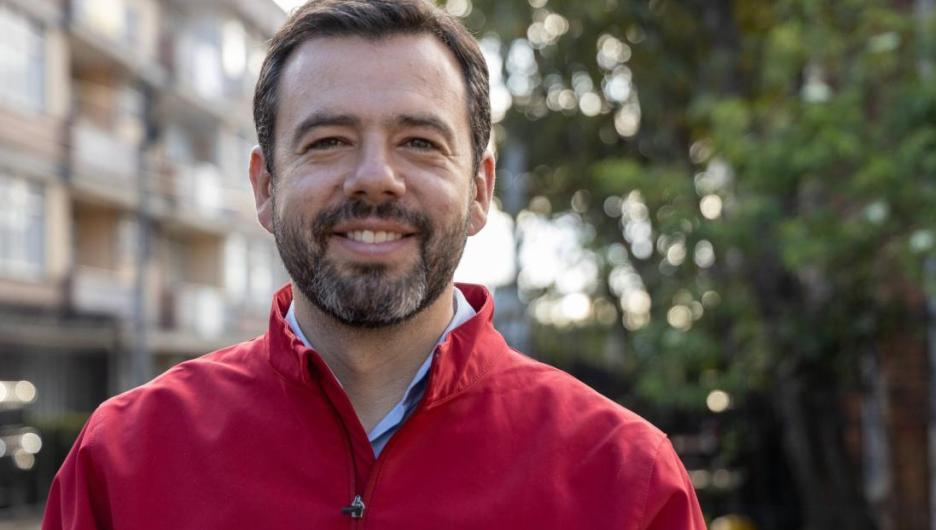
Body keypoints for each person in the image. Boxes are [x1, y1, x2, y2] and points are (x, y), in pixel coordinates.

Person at [42, 1, 705, 528]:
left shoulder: (624, 479)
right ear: (265, 188)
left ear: (479, 191)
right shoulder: (124, 460)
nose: (376, 179)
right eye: (328, 141)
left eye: (419, 142)